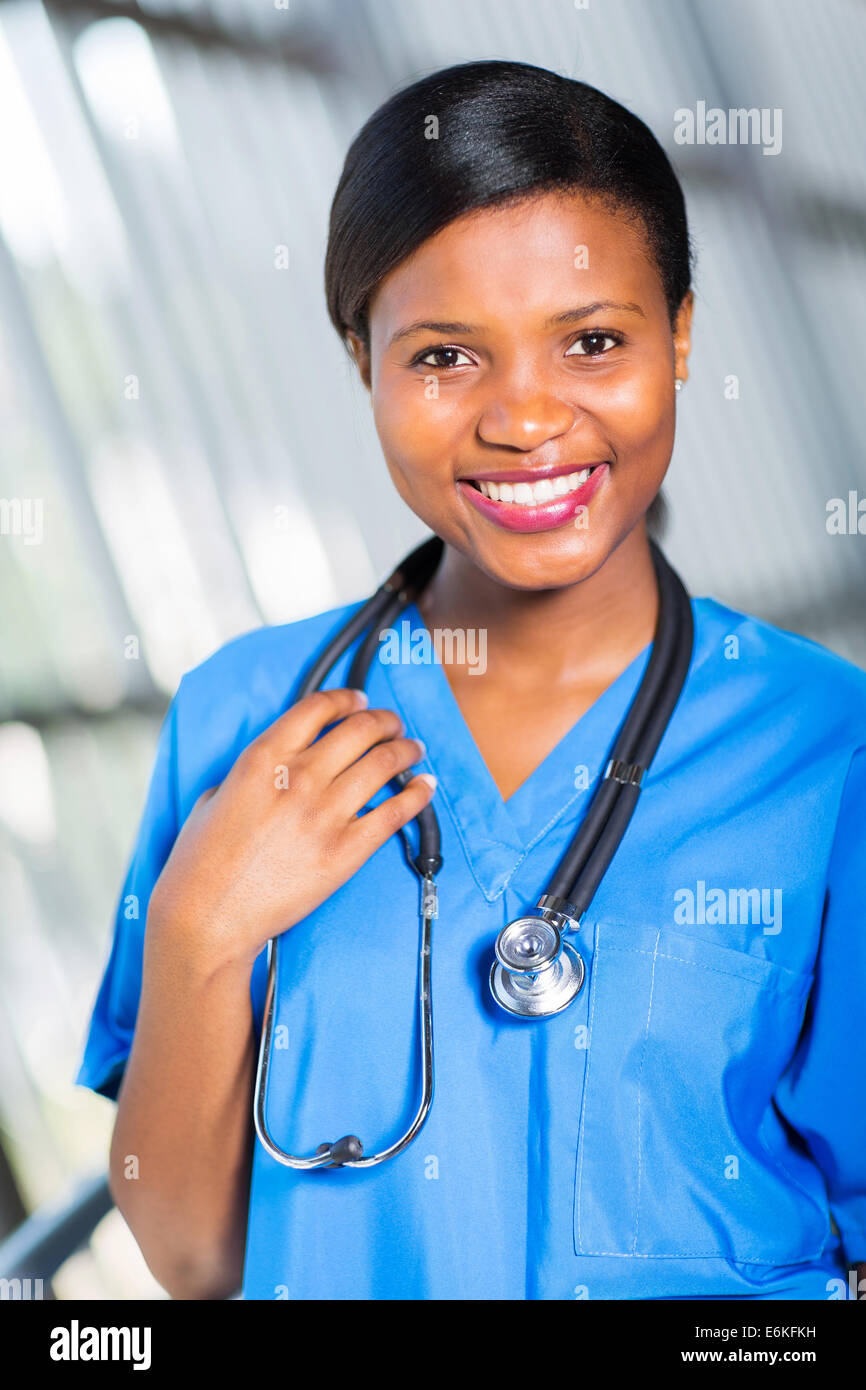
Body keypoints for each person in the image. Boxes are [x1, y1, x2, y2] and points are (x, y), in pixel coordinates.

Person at [76, 60, 866, 1301]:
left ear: (681, 335)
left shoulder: (828, 748)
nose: (524, 417)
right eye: (445, 357)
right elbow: (194, 1259)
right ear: (360, 358)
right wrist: (196, 932)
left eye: (593, 341)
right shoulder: (237, 716)